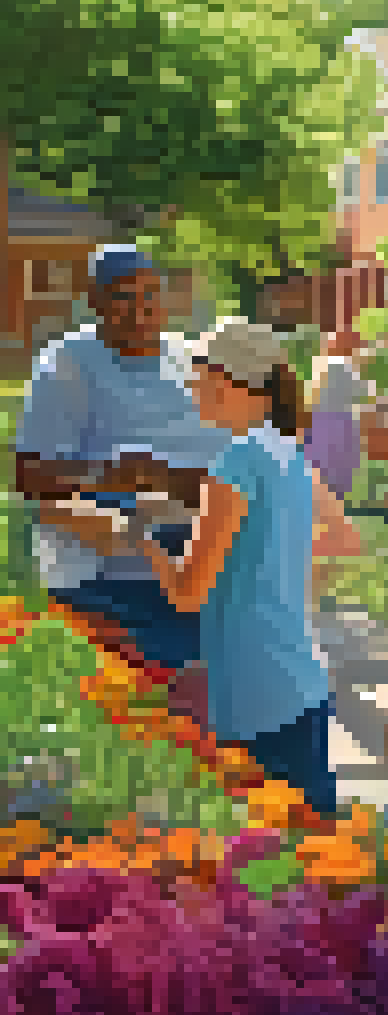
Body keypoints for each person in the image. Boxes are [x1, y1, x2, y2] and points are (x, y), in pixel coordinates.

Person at [137, 320, 363, 820]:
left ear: (236, 383)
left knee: (271, 862)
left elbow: (188, 594)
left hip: (256, 690)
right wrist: (277, 576)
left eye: (202, 378)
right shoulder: (287, 454)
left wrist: (141, 538)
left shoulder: (235, 462)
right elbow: (347, 538)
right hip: (296, 676)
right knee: (319, 852)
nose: (195, 389)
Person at [15, 247, 230, 700]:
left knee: (205, 710)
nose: (140, 308)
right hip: (110, 559)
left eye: (150, 294)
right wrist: (108, 476)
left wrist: (176, 482)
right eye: (123, 296)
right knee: (140, 705)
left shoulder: (188, 358)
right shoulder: (69, 364)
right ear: (94, 302)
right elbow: (30, 475)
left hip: (201, 551)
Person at [306, 329, 368, 500]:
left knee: (323, 461)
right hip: (337, 421)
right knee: (336, 463)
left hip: (322, 419)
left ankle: (322, 495)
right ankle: (333, 496)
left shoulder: (322, 363)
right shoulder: (340, 366)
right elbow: (361, 393)